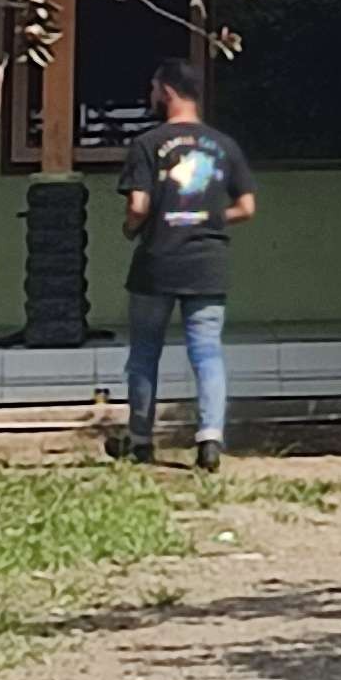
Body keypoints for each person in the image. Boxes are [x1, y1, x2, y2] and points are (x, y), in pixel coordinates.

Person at [118, 55, 253, 471]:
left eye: (155, 88)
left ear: (169, 92)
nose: (152, 95)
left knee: (144, 352)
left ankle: (140, 440)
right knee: (207, 352)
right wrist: (210, 218)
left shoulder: (147, 144)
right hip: (207, 262)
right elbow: (246, 206)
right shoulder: (224, 145)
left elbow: (139, 204)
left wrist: (130, 227)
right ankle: (210, 439)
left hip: (158, 260)